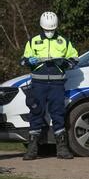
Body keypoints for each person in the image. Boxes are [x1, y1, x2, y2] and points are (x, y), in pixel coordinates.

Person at [20, 12, 79, 160]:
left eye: (52, 29)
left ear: (56, 27)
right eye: (47, 30)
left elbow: (75, 60)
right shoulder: (33, 41)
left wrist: (64, 62)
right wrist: (29, 61)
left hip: (57, 84)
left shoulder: (63, 41)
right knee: (36, 113)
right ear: (41, 27)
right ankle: (32, 150)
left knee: (58, 114)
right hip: (38, 84)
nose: (49, 32)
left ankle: (62, 149)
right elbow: (22, 61)